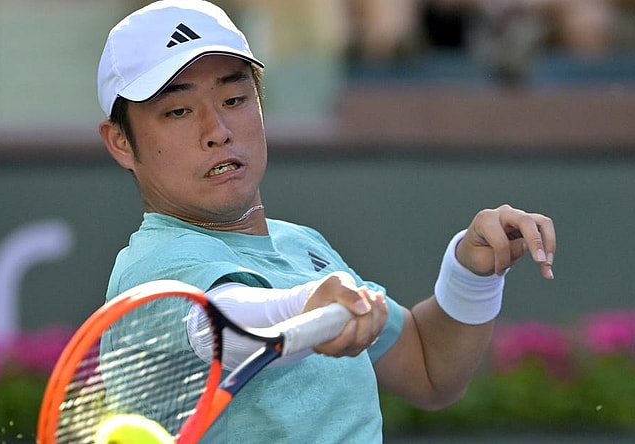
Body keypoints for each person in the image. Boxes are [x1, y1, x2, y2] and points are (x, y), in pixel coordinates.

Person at [96, 1, 556, 442]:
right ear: (120, 142)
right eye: (178, 111)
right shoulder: (151, 272)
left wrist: (471, 274)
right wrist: (306, 308)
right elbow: (221, 326)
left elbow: (429, 371)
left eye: (234, 99)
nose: (217, 130)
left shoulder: (303, 247)